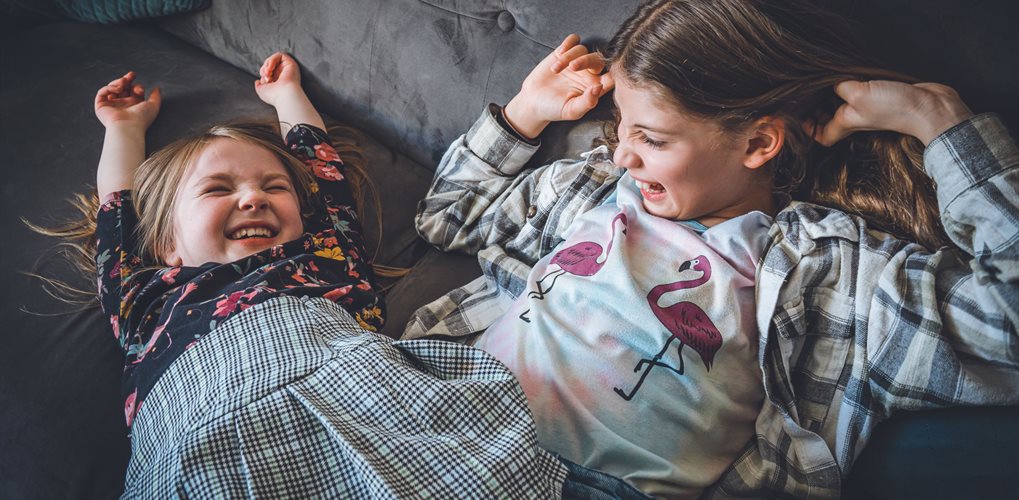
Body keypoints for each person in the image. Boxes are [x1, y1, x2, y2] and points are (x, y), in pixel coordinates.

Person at [407, 0, 1019, 497]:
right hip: (443, 401)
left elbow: (1008, 318)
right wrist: (523, 116)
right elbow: (445, 217)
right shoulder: (589, 185)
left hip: (574, 481)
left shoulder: (827, 271)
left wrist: (940, 123)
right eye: (622, 125)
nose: (622, 153)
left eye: (651, 137)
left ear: (758, 143)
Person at [53, 52, 579, 497]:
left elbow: (323, 168)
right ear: (166, 244)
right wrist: (123, 127)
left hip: (358, 389)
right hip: (199, 432)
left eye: (273, 187)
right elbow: (118, 208)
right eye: (218, 190)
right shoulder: (143, 298)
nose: (253, 197)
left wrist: (287, 97)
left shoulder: (325, 254)